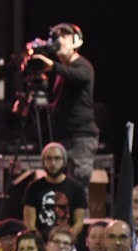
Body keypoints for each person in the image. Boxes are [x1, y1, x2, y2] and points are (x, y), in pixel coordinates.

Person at [26, 23, 97, 183]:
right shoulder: (60, 72)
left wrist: (51, 65)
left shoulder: (83, 66)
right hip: (64, 137)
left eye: (65, 36)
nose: (60, 40)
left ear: (76, 41)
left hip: (80, 139)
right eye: (57, 37)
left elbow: (77, 75)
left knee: (77, 189)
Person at [21, 143, 88, 241]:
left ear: (64, 161)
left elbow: (79, 222)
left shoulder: (77, 188)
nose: (53, 163)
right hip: (41, 244)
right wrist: (41, 242)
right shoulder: (33, 188)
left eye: (57, 158)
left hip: (67, 243)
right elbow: (29, 223)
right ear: (43, 161)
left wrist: (65, 239)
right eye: (48, 159)